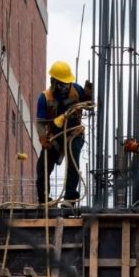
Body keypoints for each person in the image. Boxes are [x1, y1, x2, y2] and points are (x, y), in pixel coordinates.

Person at [35, 61, 92, 205]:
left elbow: (90, 105)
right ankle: (44, 200)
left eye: (67, 84)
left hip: (74, 133)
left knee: (73, 162)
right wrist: (43, 139)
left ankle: (70, 197)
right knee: (43, 166)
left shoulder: (77, 90)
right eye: (61, 84)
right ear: (53, 82)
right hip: (55, 136)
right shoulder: (45, 98)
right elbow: (41, 122)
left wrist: (89, 95)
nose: (65, 88)